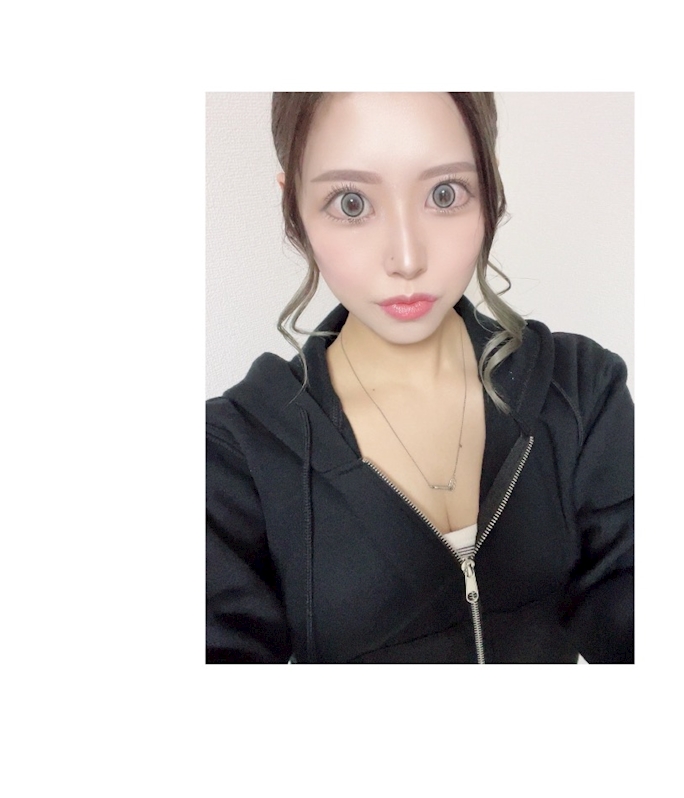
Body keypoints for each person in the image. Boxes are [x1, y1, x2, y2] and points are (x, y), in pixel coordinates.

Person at [206, 92, 634, 663]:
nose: (407, 259)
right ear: (294, 209)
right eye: (351, 203)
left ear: (489, 187)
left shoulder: (581, 391)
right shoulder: (233, 456)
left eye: (445, 193)